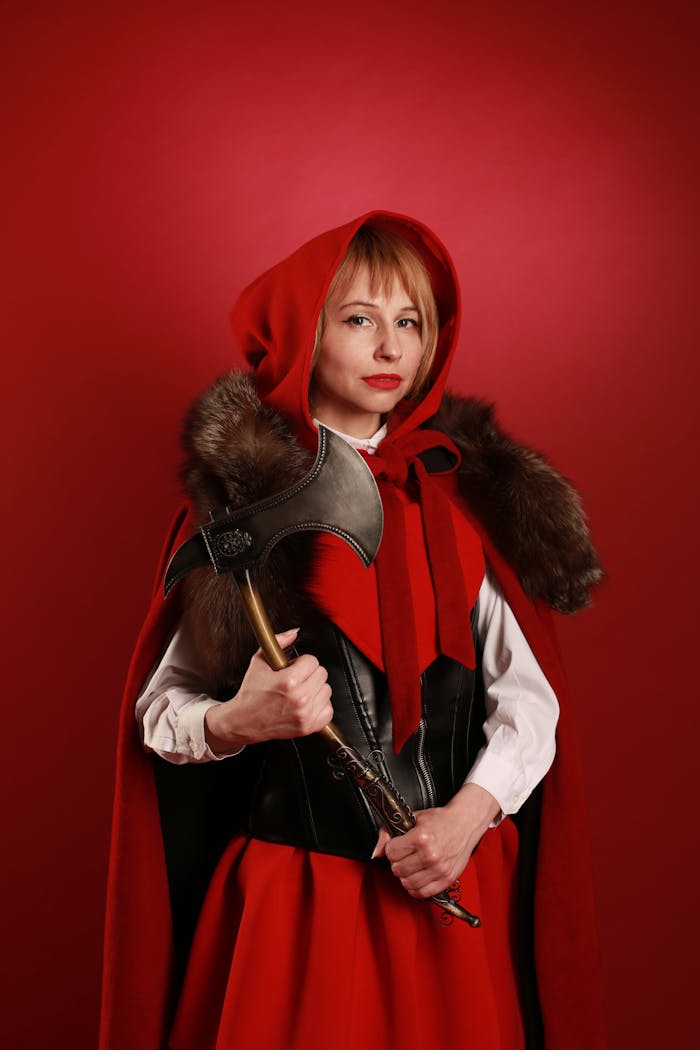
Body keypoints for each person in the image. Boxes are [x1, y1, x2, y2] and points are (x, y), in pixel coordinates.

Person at [100, 212, 606, 1050]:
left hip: (450, 884)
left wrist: (468, 815)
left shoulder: (458, 502)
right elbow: (161, 713)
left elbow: (530, 705)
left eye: (410, 322)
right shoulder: (243, 514)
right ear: (306, 334)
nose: (389, 348)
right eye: (359, 319)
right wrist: (238, 720)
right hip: (300, 910)